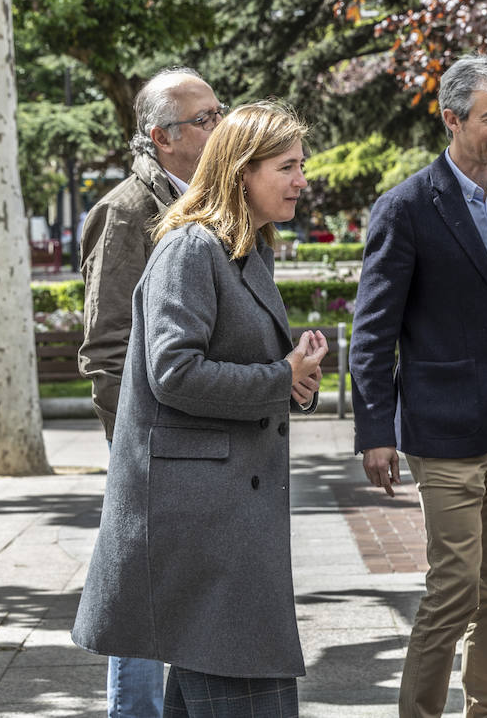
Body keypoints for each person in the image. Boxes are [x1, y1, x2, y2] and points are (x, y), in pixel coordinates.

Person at [72, 102, 327, 717]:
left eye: (301, 165)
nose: (301, 181)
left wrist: (295, 378)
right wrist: (277, 376)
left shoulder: (247, 247)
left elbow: (243, 363)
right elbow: (174, 373)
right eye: (287, 167)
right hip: (203, 528)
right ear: (241, 172)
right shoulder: (191, 248)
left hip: (225, 521)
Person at [350, 55, 487, 718]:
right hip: (446, 429)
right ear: (452, 118)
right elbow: (372, 332)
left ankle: (486, 711)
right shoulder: (404, 208)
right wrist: (376, 432)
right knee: (454, 589)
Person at [77, 68, 224, 718]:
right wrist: (134, 450)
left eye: (219, 112)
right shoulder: (126, 212)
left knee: (197, 601)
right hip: (153, 449)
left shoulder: (215, 202)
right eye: (205, 119)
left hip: (210, 444)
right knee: (140, 608)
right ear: (163, 138)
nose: (219, 127)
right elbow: (106, 348)